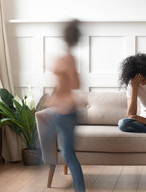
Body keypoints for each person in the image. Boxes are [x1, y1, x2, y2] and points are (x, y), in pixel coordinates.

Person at [44, 19, 85, 192]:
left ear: (64, 36)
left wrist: (54, 98)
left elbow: (64, 85)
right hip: (67, 110)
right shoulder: (71, 58)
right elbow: (76, 84)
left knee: (64, 152)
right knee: (65, 152)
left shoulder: (63, 59)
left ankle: (80, 189)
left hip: (64, 111)